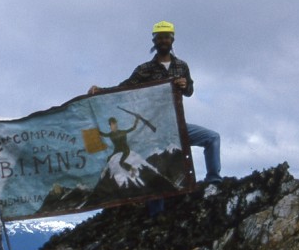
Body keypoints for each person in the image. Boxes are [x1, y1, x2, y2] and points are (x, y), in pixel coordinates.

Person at [88, 20, 222, 185]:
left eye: (166, 37)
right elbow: (124, 88)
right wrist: (101, 90)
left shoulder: (181, 66)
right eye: (159, 38)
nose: (163, 41)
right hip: (155, 131)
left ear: (172, 39)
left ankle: (214, 180)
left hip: (177, 124)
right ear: (154, 41)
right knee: (157, 175)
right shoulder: (145, 69)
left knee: (212, 138)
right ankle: (157, 210)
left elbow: (189, 91)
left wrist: (185, 85)